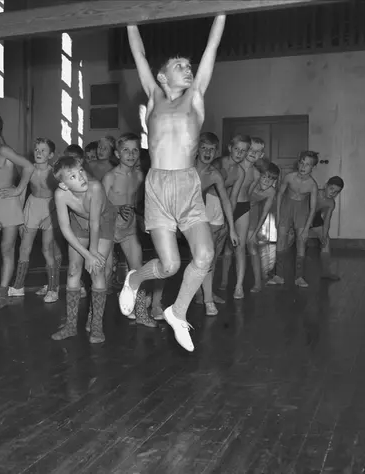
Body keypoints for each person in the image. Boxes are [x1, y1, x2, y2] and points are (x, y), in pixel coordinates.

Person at [119, 15, 225, 352]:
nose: (187, 68)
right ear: (163, 76)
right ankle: (134, 279)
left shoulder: (195, 96)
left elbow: (211, 47)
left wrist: (222, 12)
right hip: (158, 187)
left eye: (188, 65)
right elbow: (138, 53)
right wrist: (129, 20)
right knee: (169, 266)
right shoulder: (154, 95)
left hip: (187, 186)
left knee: (205, 256)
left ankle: (177, 312)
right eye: (179, 65)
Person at [51, 156, 116, 343]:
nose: (81, 177)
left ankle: (96, 325)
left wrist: (92, 254)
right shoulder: (60, 194)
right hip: (79, 222)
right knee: (73, 269)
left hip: (103, 221)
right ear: (63, 184)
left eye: (81, 171)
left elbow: (95, 224)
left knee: (97, 269)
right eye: (72, 176)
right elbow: (65, 228)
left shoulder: (95, 188)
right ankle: (70, 326)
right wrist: (86, 254)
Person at [0, 112, 35, 309]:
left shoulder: (4, 151)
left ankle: (1, 293)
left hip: (7, 202)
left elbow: (28, 167)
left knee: (6, 248)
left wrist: (18, 190)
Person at [101, 132, 157, 328]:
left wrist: (143, 218)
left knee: (138, 269)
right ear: (117, 154)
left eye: (135, 150)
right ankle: (95, 316)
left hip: (128, 229)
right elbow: (98, 205)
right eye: (126, 150)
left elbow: (137, 202)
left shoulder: (139, 176)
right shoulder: (110, 177)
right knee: (104, 272)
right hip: (108, 228)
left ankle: (141, 313)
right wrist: (117, 208)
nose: (131, 154)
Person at [8, 138, 60, 303]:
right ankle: (18, 287)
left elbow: (60, 196)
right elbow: (22, 191)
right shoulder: (29, 169)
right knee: (24, 247)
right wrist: (20, 217)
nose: (39, 153)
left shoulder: (54, 173)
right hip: (32, 206)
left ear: (50, 155)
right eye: (37, 149)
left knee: (47, 249)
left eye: (43, 150)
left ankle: (52, 289)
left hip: (50, 207)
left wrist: (51, 217)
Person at [193, 132, 239, 316]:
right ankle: (157, 302)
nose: (207, 152)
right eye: (204, 148)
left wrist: (232, 229)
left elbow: (226, 200)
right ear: (196, 149)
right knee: (170, 262)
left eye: (211, 149)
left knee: (206, 255)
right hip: (176, 215)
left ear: (216, 152)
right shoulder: (186, 168)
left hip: (195, 218)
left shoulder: (214, 174)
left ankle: (207, 299)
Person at [220, 137, 265, 299]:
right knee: (224, 246)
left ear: (261, 155)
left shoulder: (256, 174)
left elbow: (249, 194)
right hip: (226, 207)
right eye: (251, 149)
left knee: (240, 246)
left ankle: (238, 286)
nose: (253, 153)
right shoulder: (235, 167)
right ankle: (223, 280)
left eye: (257, 152)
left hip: (243, 208)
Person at [267, 151, 319, 288]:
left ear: (312, 167)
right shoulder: (289, 177)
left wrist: (306, 229)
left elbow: (312, 208)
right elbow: (279, 195)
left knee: (301, 242)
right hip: (286, 208)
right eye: (302, 162)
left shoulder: (312, 185)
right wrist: (278, 215)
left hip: (301, 212)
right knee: (281, 239)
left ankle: (299, 277)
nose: (303, 166)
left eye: (307, 164)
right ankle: (279, 275)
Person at [213, 134, 249, 292]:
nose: (239, 153)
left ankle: (209, 292)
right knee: (207, 251)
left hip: (223, 207)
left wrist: (229, 222)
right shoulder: (218, 163)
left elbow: (233, 198)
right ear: (229, 148)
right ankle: (202, 293)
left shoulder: (240, 172)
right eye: (236, 149)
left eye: (243, 150)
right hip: (208, 204)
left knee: (216, 251)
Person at [246, 160, 280, 292]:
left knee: (252, 246)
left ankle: (257, 283)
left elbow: (264, 213)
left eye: (271, 179)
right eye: (264, 177)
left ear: (274, 181)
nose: (266, 181)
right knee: (230, 247)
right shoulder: (252, 183)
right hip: (239, 209)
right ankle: (224, 281)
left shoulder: (271, 191)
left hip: (253, 212)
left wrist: (256, 232)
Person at [310, 176, 344, 280]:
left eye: (336, 192)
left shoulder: (331, 203)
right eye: (331, 189)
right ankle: (276, 270)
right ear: (326, 186)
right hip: (301, 215)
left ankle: (326, 272)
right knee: (289, 240)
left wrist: (324, 236)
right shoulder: (314, 192)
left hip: (315, 217)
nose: (333, 193)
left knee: (326, 242)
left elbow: (327, 220)